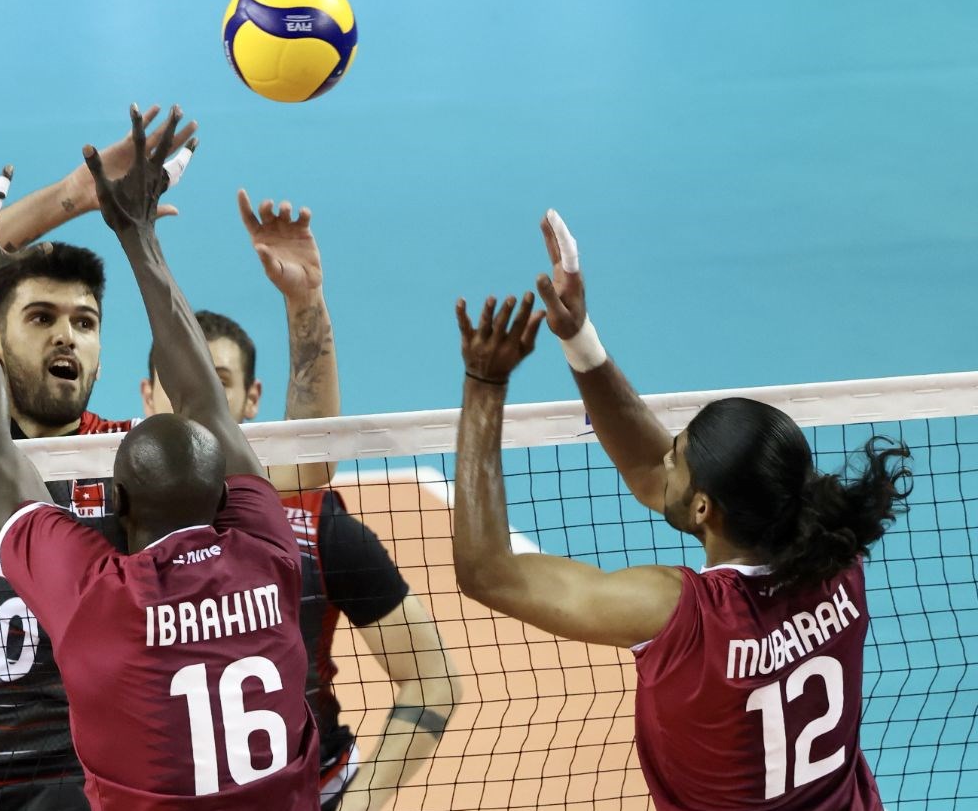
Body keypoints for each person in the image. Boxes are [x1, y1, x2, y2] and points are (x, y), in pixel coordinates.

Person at [450, 211, 910, 810]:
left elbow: (488, 572)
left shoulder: (679, 614)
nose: (663, 459)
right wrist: (578, 337)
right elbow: (651, 472)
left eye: (678, 458)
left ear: (703, 509)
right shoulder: (838, 561)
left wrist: (484, 386)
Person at [0, 105, 319, 809]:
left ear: (115, 505)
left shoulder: (101, 600)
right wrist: (139, 233)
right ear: (227, 498)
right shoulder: (269, 554)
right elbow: (206, 405)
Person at [0, 108, 204, 810]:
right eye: (41, 317)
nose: (67, 337)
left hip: (69, 786)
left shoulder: (127, 459)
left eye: (85, 322)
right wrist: (74, 196)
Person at [140, 194, 458, 810]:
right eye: (178, 384)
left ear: (251, 399)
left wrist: (305, 300)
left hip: (312, 792)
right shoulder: (102, 510)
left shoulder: (312, 526)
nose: (196, 401)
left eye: (217, 384)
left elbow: (432, 679)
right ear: (148, 394)